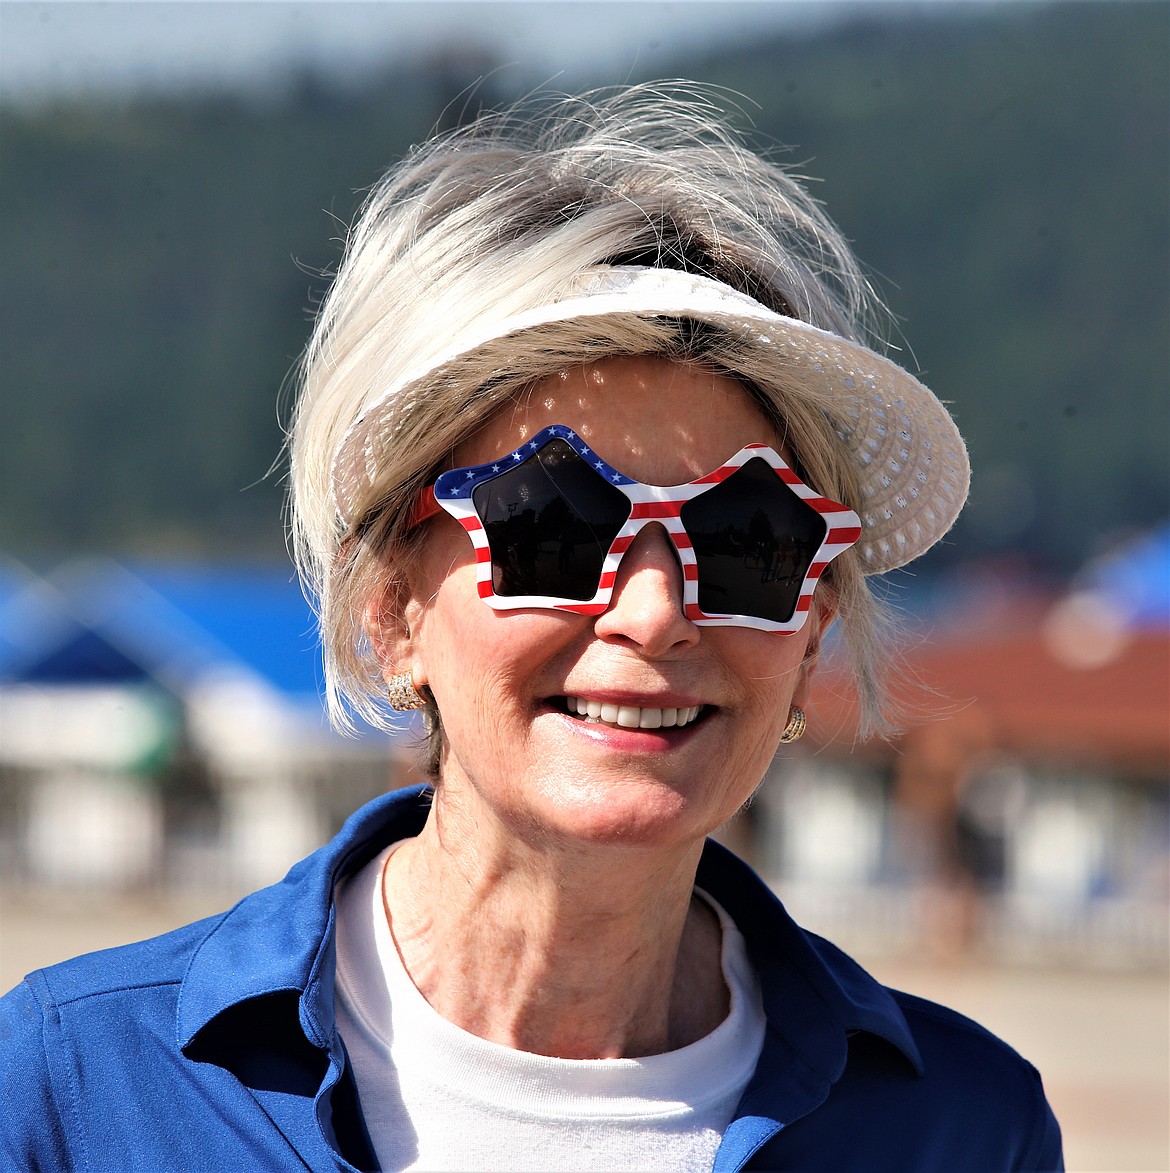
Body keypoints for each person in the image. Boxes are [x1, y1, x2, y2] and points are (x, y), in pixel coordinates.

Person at [0, 84, 1063, 1171]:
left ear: (810, 633)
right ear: (389, 609)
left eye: (750, 540)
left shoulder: (967, 1130)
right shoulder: (77, 1089)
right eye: (552, 524)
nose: (654, 612)